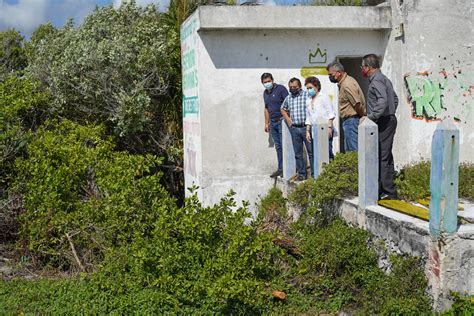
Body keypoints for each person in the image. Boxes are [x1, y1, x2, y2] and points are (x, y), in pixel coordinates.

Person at [361, 54, 399, 200]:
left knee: (382, 156)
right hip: (388, 119)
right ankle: (387, 189)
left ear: (369, 67)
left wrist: (371, 117)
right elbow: (394, 99)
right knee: (386, 155)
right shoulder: (384, 78)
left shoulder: (376, 80)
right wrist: (391, 112)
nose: (362, 69)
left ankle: (388, 192)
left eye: (363, 67)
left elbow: (383, 101)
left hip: (383, 121)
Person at [327, 60, 366, 152]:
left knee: (353, 150)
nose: (330, 77)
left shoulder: (346, 84)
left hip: (352, 120)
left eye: (331, 75)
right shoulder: (344, 82)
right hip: (349, 121)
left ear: (339, 73)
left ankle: (356, 167)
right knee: (349, 149)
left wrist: (362, 116)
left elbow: (357, 103)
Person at [281, 77, 312, 181]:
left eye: (295, 87)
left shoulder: (306, 95)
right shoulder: (289, 98)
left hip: (306, 128)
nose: (292, 88)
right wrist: (288, 119)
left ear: (299, 86)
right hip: (295, 129)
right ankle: (302, 174)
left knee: (311, 151)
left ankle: (314, 174)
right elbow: (282, 108)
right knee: (298, 153)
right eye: (291, 87)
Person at [261, 72, 289, 178]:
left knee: (285, 145)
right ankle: (281, 169)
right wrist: (266, 123)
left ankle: (289, 168)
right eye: (265, 82)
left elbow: (288, 103)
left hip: (282, 121)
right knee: (278, 146)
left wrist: (287, 118)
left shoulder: (281, 89)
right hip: (273, 123)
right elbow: (266, 109)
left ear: (273, 80)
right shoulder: (265, 93)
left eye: (269, 81)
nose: (267, 83)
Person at [304, 76, 336, 160]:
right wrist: (307, 131)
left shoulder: (324, 97)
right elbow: (308, 117)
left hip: (325, 129)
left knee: (327, 152)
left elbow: (331, 114)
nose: (309, 90)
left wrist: (329, 127)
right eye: (307, 88)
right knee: (316, 154)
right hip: (314, 130)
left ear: (317, 86)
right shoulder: (308, 100)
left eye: (310, 88)